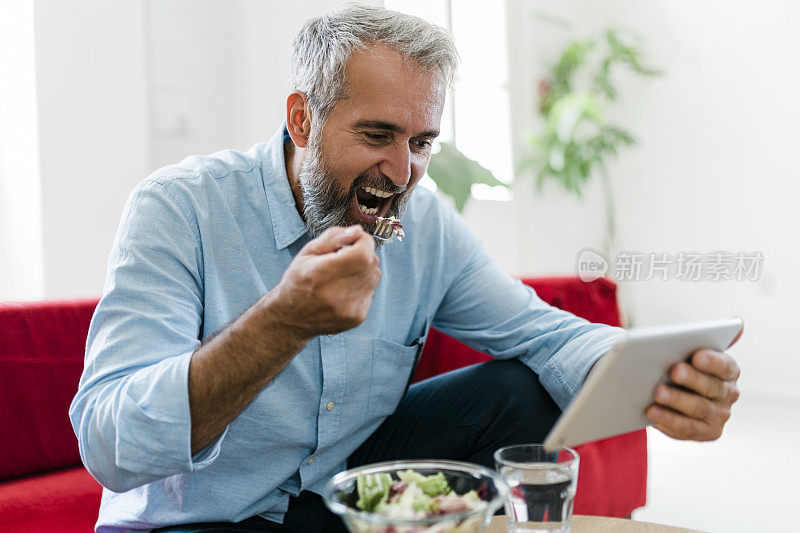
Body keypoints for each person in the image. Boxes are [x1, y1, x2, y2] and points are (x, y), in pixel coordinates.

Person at [69, 4, 741, 532]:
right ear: (302, 118)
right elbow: (110, 442)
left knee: (519, 388)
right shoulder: (181, 208)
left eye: (421, 142)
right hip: (196, 518)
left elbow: (545, 333)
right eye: (377, 135)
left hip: (343, 501)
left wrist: (661, 379)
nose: (402, 171)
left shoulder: (424, 227)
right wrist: (281, 323)